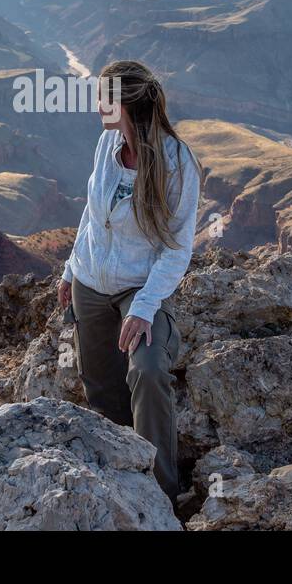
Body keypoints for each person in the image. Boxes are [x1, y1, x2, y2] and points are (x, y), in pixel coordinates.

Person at [58, 59, 201, 502]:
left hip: (139, 289)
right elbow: (91, 211)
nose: (96, 103)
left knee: (150, 370)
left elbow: (177, 248)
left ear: (124, 103)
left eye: (103, 96)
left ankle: (161, 493)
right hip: (90, 284)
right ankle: (121, 484)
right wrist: (70, 268)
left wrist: (144, 308)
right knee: (101, 392)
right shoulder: (106, 144)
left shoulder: (177, 163)